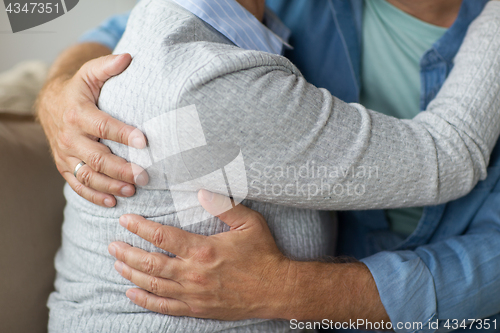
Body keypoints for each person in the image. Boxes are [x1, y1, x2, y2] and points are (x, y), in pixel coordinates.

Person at [36, 0, 500, 332]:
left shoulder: (235, 26)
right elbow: (448, 154)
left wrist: (292, 290)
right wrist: (57, 95)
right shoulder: (207, 73)